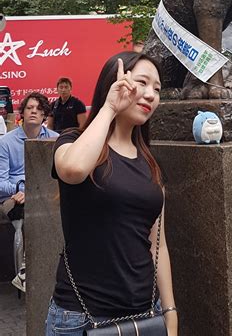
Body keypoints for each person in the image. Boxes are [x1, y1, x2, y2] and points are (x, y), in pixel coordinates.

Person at [45, 51, 177, 336]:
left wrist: (170, 312)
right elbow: (73, 169)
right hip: (81, 317)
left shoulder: (150, 163)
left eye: (157, 89)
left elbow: (158, 245)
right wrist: (109, 108)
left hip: (145, 316)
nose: (151, 94)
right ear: (113, 83)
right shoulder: (73, 140)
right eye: (141, 82)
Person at [0, 92, 58, 292]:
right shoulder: (6, 142)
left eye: (39, 109)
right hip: (12, 198)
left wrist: (32, 191)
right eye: (30, 107)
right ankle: (27, 271)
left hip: (44, 195)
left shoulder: (55, 139)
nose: (34, 111)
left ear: (45, 115)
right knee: (29, 209)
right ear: (22, 112)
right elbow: (1, 182)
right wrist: (22, 190)